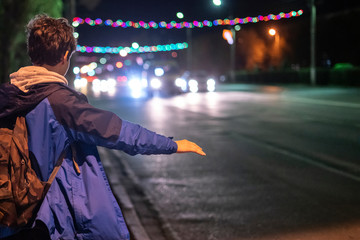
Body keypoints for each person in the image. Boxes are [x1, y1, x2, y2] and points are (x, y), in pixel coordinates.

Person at [0, 14, 205, 240]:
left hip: (13, 217)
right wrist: (172, 144)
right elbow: (119, 132)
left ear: (32, 52)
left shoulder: (10, 96)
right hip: (54, 219)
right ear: (66, 56)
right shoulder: (62, 103)